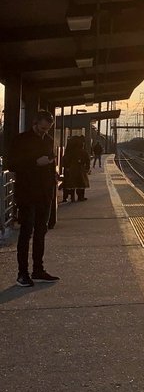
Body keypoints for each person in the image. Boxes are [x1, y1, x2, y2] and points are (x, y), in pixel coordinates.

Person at [6, 109, 59, 288]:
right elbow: (11, 163)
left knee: (40, 232)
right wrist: (36, 163)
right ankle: (22, 273)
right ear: (34, 123)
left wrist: (53, 181)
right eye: (42, 128)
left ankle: (38, 269)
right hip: (27, 192)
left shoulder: (49, 140)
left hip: (45, 193)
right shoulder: (20, 140)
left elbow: (50, 162)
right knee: (26, 232)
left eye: (48, 129)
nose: (45, 132)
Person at [62, 135, 90, 202]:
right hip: (80, 169)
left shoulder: (70, 151)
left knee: (71, 183)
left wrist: (67, 167)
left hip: (71, 168)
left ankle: (70, 197)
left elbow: (65, 159)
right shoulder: (83, 152)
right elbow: (87, 160)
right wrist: (87, 168)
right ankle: (80, 197)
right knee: (81, 183)